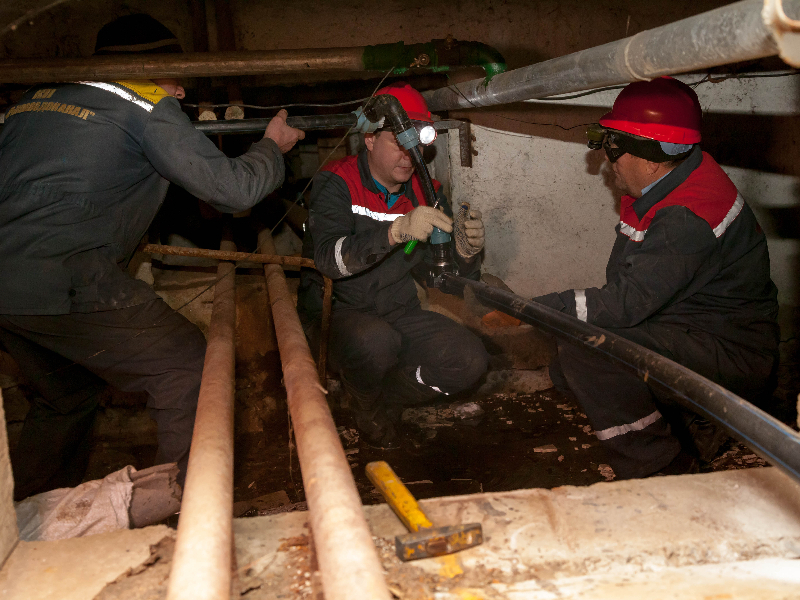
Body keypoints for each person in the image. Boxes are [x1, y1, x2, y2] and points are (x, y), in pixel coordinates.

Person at [0, 13, 305, 500]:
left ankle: (36, 512)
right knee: (188, 368)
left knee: (67, 395)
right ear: (142, 67)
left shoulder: (32, 101)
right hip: (64, 273)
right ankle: (184, 508)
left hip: (9, 288)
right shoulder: (140, 104)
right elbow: (236, 189)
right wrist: (273, 145)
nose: (181, 91)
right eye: (174, 75)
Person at [534, 76, 779, 479]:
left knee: (589, 349)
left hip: (731, 354)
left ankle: (662, 469)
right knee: (568, 366)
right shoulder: (678, 180)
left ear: (651, 158)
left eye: (615, 148)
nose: (609, 160)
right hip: (696, 328)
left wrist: (539, 308)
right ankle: (690, 423)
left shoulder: (685, 216)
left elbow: (626, 302)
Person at [298, 83, 489, 449]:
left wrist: (466, 254)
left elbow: (440, 278)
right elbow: (328, 259)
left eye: (418, 142)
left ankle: (388, 397)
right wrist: (395, 231)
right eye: (399, 141)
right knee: (375, 342)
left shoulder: (426, 191)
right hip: (337, 312)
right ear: (369, 140)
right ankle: (367, 410)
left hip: (398, 311)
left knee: (469, 359)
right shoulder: (337, 183)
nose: (410, 154)